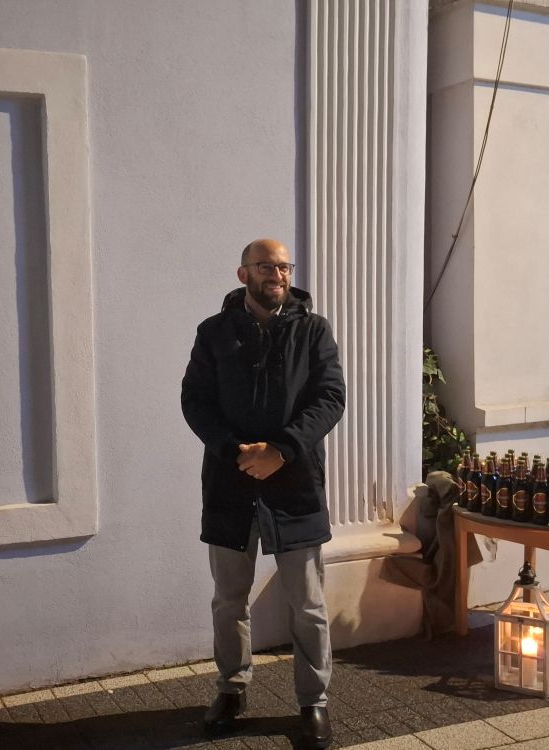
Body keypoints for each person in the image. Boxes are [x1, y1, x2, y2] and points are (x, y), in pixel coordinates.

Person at [181, 238, 345, 749]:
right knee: (229, 600)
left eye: (283, 267)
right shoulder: (213, 332)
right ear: (243, 274)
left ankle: (313, 702)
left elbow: (330, 398)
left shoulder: (313, 330)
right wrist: (235, 451)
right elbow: (195, 400)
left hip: (295, 485)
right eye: (266, 266)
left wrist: (281, 450)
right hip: (230, 485)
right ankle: (231, 689)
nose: (277, 274)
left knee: (308, 603)